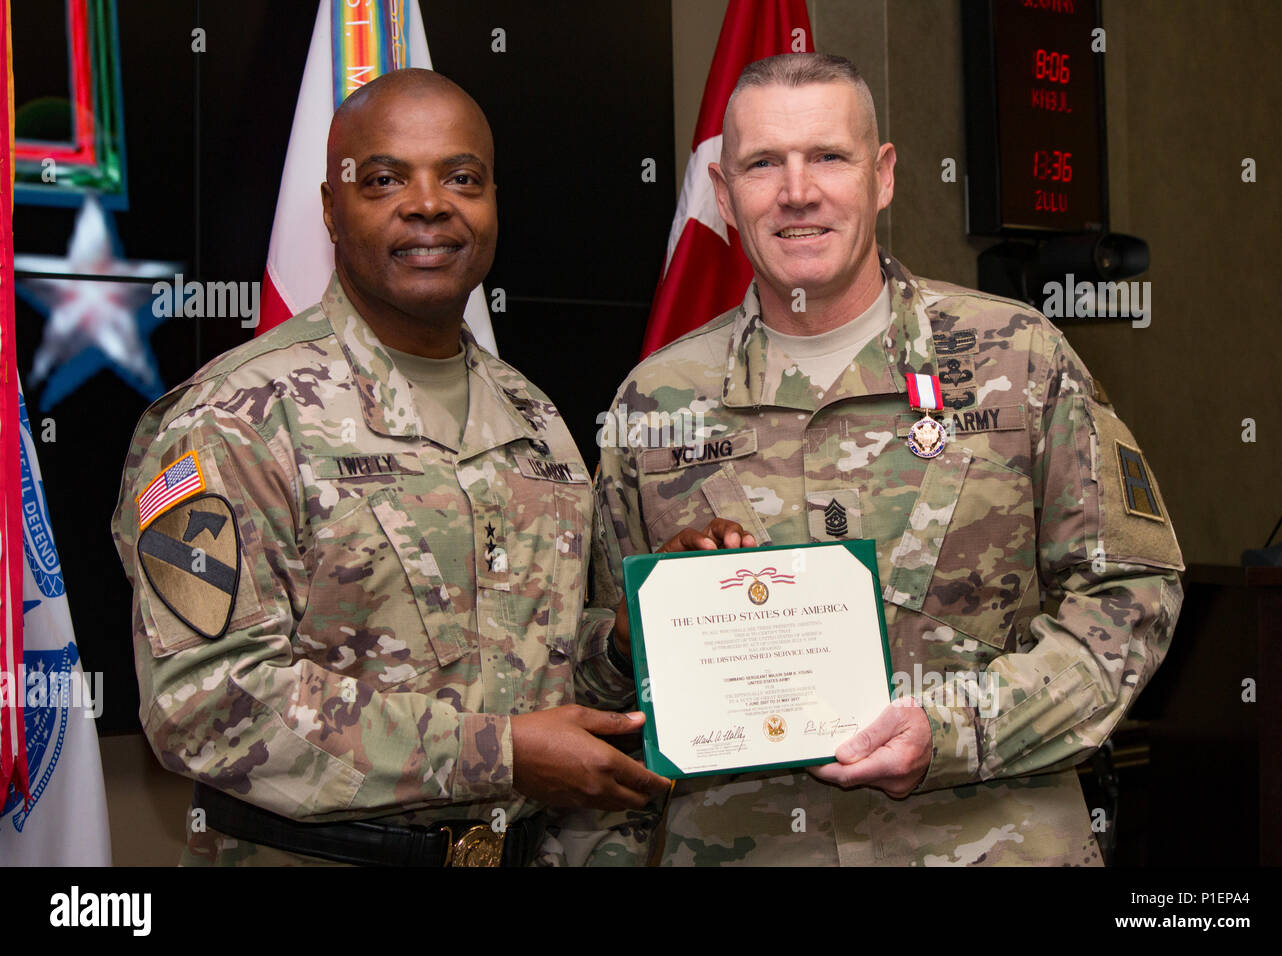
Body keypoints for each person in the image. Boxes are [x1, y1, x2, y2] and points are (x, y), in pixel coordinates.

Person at [596, 53, 1183, 866]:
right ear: (726, 196)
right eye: (764, 163)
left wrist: (957, 729)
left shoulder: (1018, 358)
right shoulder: (653, 404)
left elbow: (1132, 594)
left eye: (828, 157)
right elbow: (593, 664)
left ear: (883, 177)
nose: (798, 191)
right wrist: (640, 636)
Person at [110, 68, 667, 867]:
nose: (431, 203)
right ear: (332, 210)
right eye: (384, 179)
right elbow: (206, 703)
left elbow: (527, 665)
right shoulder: (234, 418)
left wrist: (614, 647)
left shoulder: (535, 419)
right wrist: (498, 753)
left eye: (462, 177)